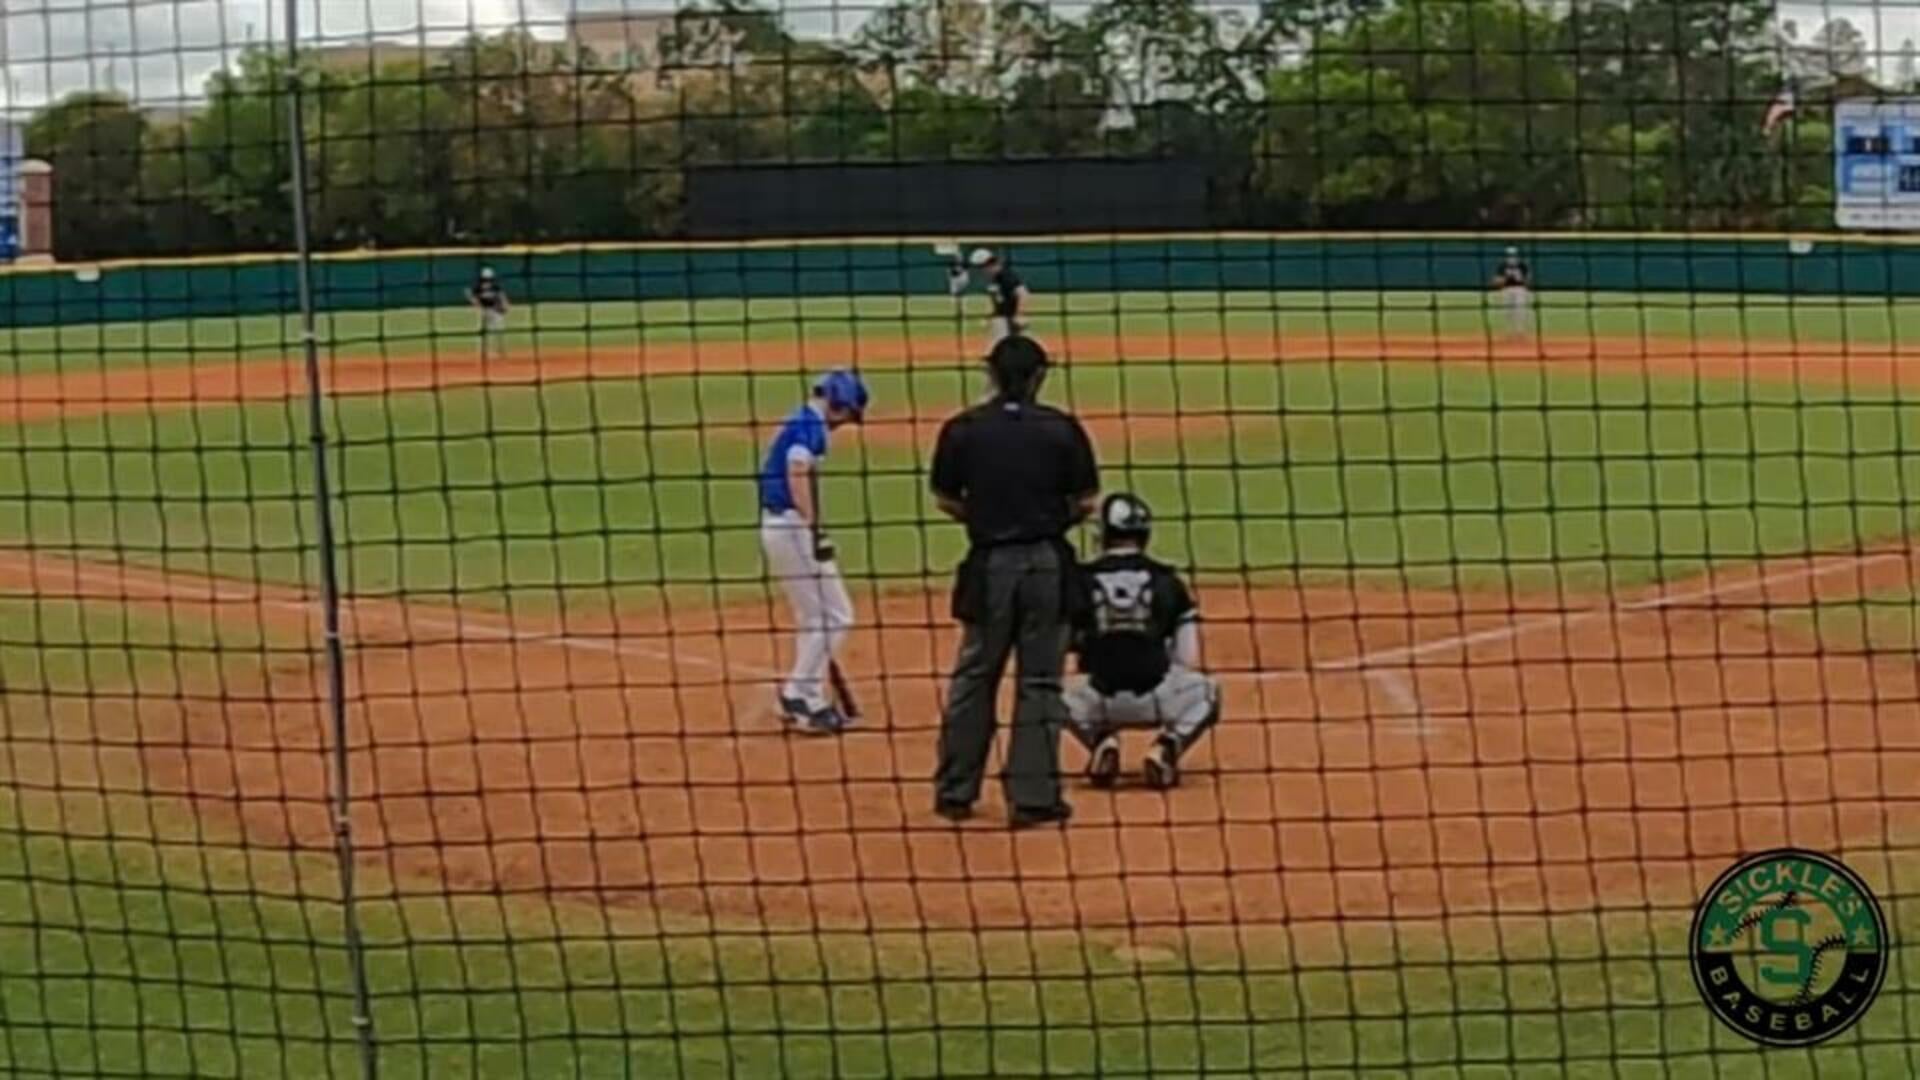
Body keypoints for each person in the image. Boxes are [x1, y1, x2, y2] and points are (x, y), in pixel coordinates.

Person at [930, 335, 1100, 828]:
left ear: (991, 374)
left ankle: (955, 792)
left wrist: (985, 517)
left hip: (989, 565)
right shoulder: (1061, 428)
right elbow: (1086, 500)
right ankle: (1033, 799)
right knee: (1041, 681)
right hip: (1047, 562)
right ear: (1039, 377)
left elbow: (945, 498)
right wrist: (1048, 518)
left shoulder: (963, 428)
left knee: (975, 676)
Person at [1065, 493, 1221, 790]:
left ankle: (1101, 741)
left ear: (1104, 534)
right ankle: (1167, 746)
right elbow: (1188, 657)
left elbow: (1060, 645)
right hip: (1157, 701)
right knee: (1209, 692)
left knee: (1046, 693)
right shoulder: (1168, 581)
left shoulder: (1079, 580)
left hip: (1096, 701)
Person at [759, 370, 870, 734]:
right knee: (838, 615)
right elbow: (797, 472)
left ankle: (809, 699)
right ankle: (796, 693)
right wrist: (815, 528)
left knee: (812, 617)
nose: (844, 423)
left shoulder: (801, 420)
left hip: (777, 526)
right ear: (838, 403)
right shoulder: (810, 427)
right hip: (792, 527)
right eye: (847, 414)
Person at [948, 247, 1030, 351]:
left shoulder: (1006, 275)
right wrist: (990, 316)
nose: (980, 272)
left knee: (1008, 347)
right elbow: (999, 303)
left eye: (980, 268)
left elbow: (1023, 293)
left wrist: (1019, 314)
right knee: (999, 348)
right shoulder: (994, 279)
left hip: (1010, 320)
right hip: (1002, 320)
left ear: (987, 265)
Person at [469, 266, 510, 360]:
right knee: (485, 332)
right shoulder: (478, 287)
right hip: (485, 311)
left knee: (499, 330)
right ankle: (483, 352)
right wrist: (479, 308)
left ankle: (500, 351)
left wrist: (505, 305)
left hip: (496, 310)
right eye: (486, 278)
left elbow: (502, 296)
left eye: (488, 278)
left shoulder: (495, 286)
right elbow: (474, 299)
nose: (487, 280)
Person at [1491, 246, 1533, 340]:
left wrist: (1522, 279)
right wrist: (1504, 279)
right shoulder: (1502, 266)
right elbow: (1496, 281)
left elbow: (1529, 280)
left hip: (1520, 289)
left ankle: (1520, 332)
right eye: (1510, 255)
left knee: (1521, 311)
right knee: (1508, 312)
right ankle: (1509, 333)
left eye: (1513, 255)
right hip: (1507, 289)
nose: (1512, 257)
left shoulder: (1522, 265)